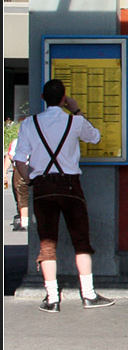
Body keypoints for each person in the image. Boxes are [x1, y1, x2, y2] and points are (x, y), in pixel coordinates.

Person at [12, 79, 114, 312]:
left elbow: (19, 160)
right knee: (81, 240)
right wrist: (76, 109)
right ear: (63, 98)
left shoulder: (30, 124)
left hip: (42, 187)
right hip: (70, 186)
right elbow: (96, 136)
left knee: (47, 243)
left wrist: (30, 180)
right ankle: (88, 295)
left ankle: (52, 298)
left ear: (42, 97)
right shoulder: (75, 121)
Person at [5, 119, 30, 231]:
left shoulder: (17, 142)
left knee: (22, 196)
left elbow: (12, 158)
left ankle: (24, 222)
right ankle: (25, 219)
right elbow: (9, 157)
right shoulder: (36, 140)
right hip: (33, 169)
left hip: (20, 170)